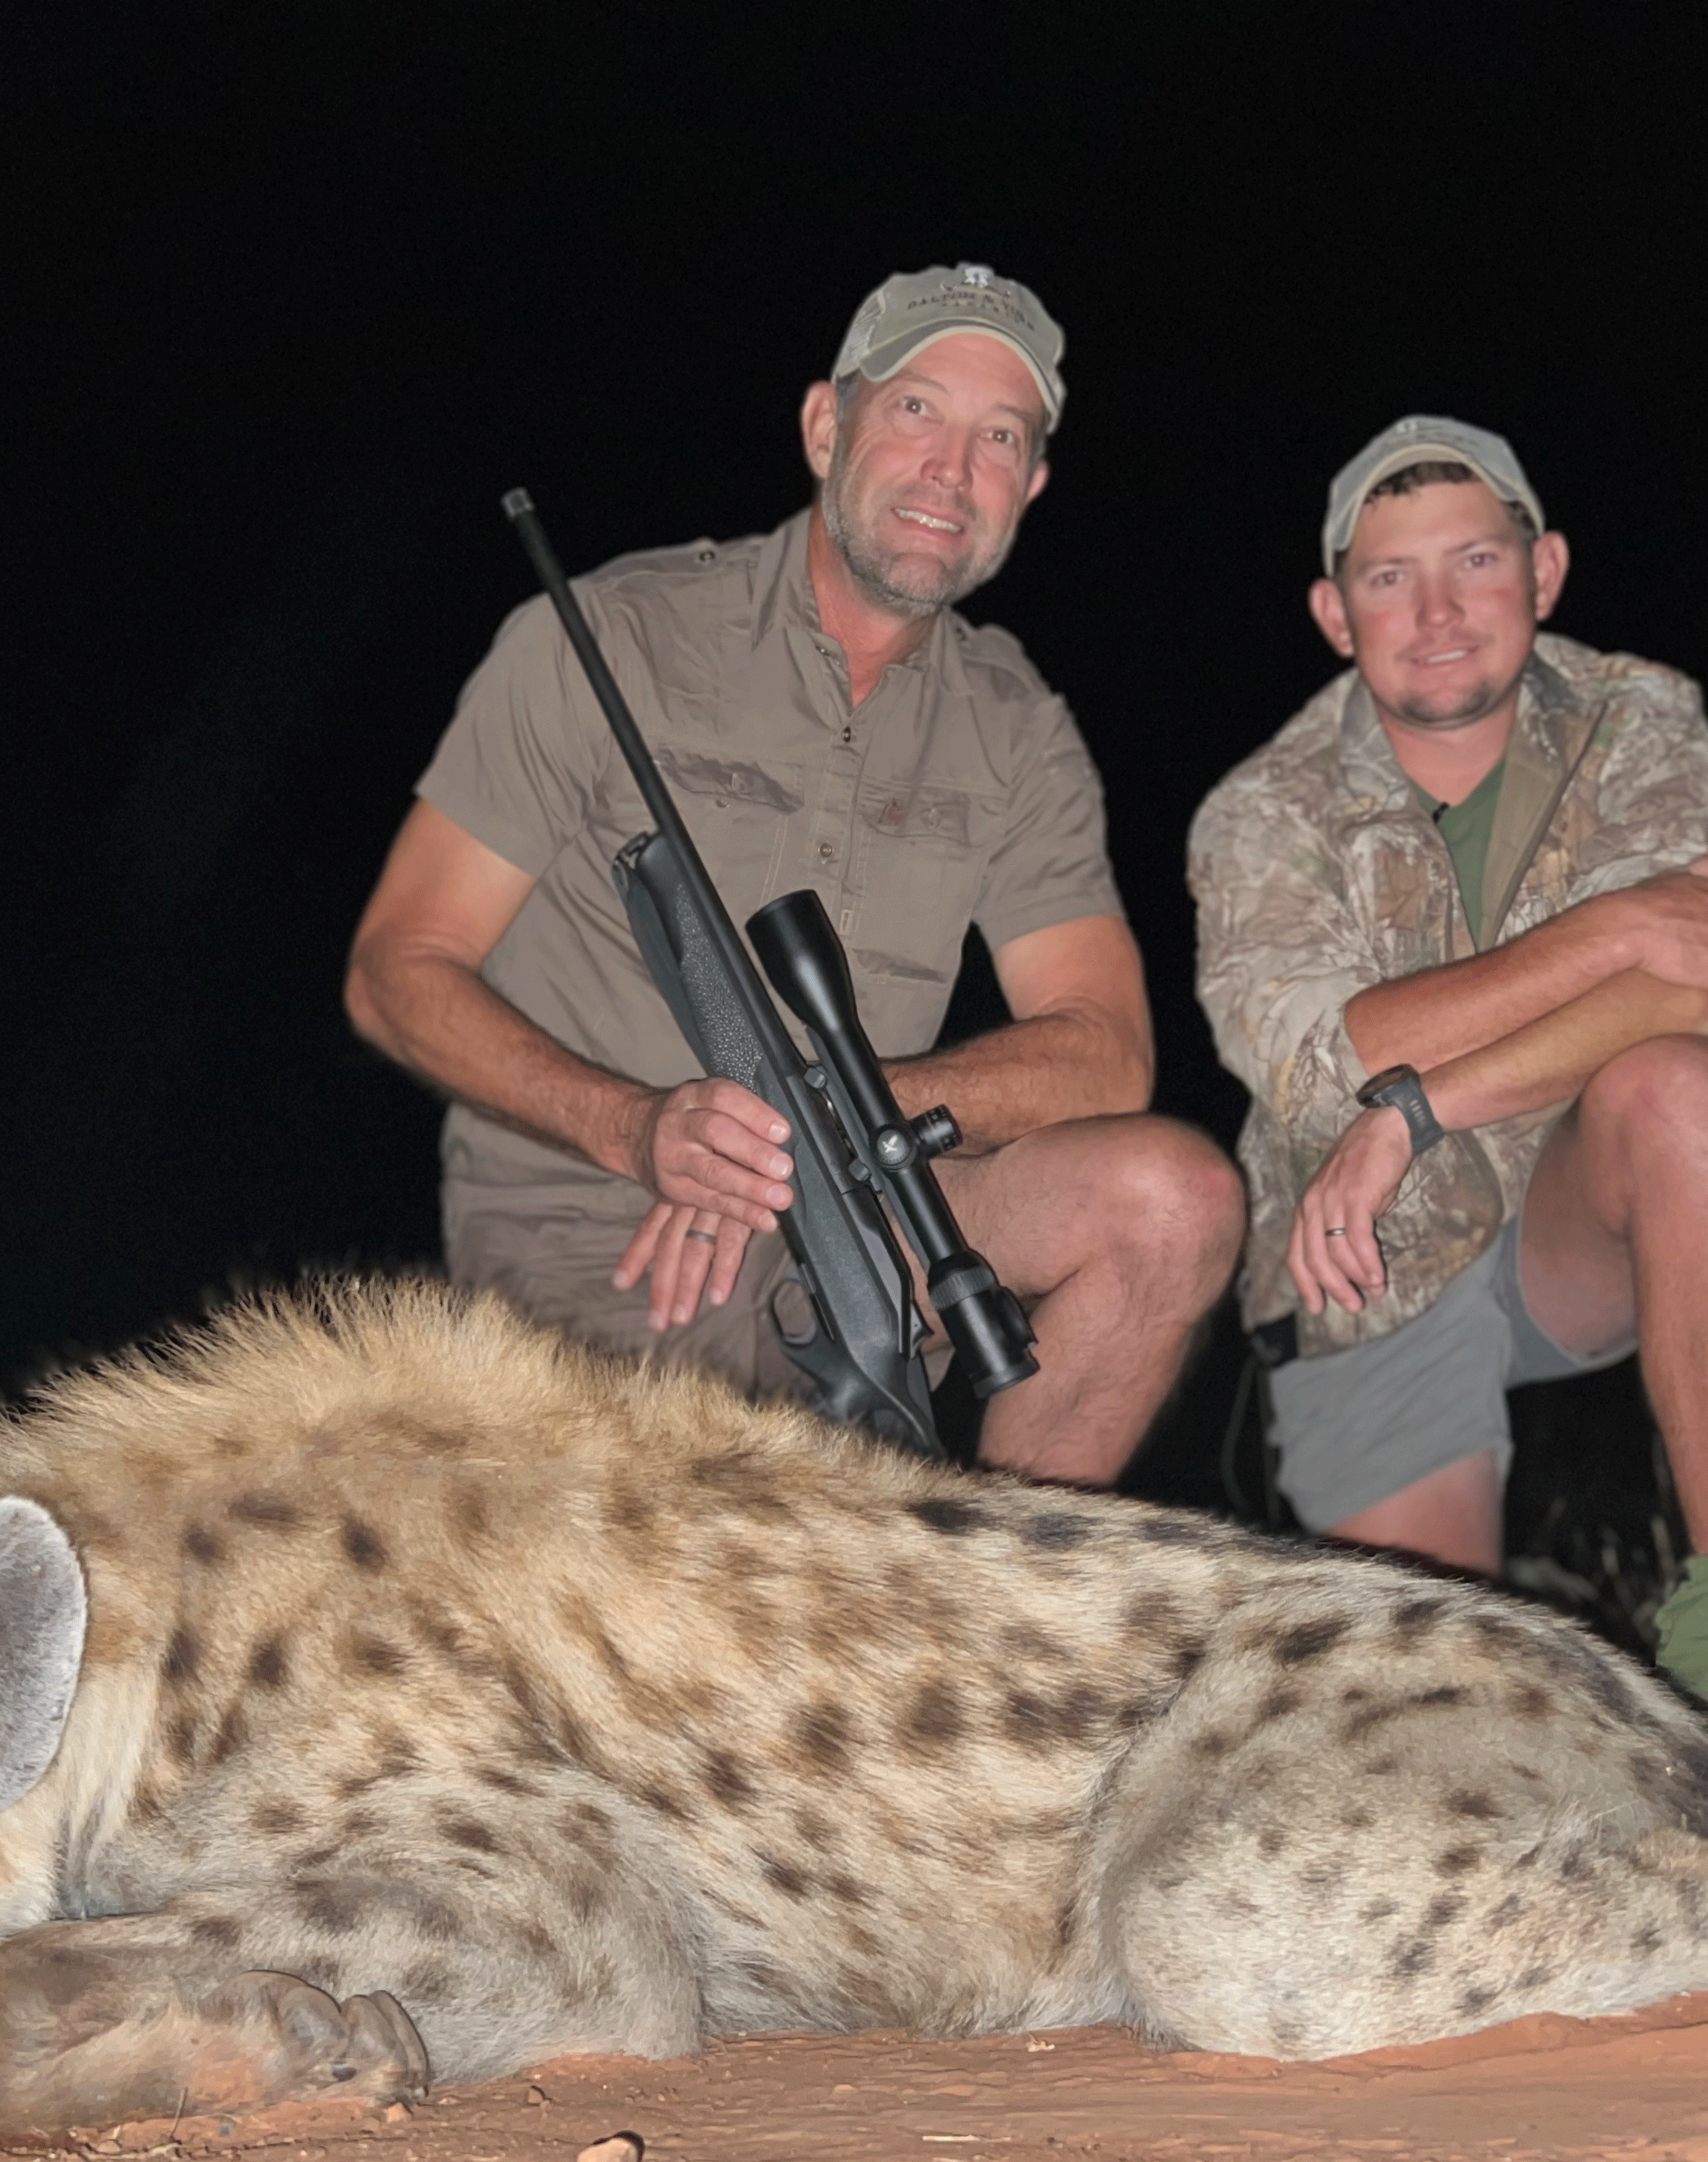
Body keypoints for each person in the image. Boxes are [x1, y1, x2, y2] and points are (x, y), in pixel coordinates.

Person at [348, 266, 1241, 1486]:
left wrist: (826, 1119)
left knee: (1176, 1201)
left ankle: (999, 1604)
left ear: (1029, 488)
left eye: (999, 438)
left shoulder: (1017, 723)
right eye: (918, 410)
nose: (951, 470)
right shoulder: (608, 634)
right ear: (829, 425)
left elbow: (1103, 1050)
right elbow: (397, 969)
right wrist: (637, 1128)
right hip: (598, 1254)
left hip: (857, 1216)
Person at [1187, 415, 1708, 1716]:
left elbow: (1701, 979)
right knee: (1434, 1720)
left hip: (1571, 1219)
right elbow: (1318, 1062)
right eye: (1388, 577)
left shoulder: (1638, 716)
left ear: (1546, 573)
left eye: (1475, 562)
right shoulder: (1261, 808)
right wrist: (1604, 931)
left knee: (1685, 1094)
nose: (1436, 612)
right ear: (1332, 610)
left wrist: (1417, 1110)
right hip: (1363, 1269)